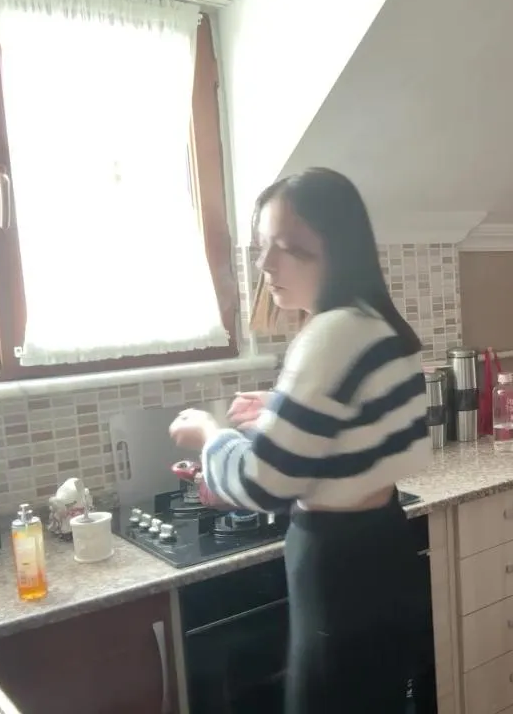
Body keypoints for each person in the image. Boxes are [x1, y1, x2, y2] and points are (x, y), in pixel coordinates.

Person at [168, 168, 431, 713]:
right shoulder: (376, 323)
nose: (266, 265)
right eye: (263, 246)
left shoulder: (327, 333)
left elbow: (263, 485)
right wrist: (283, 408)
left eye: (287, 248)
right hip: (385, 544)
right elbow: (374, 423)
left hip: (337, 565)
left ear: (338, 248)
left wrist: (210, 436)